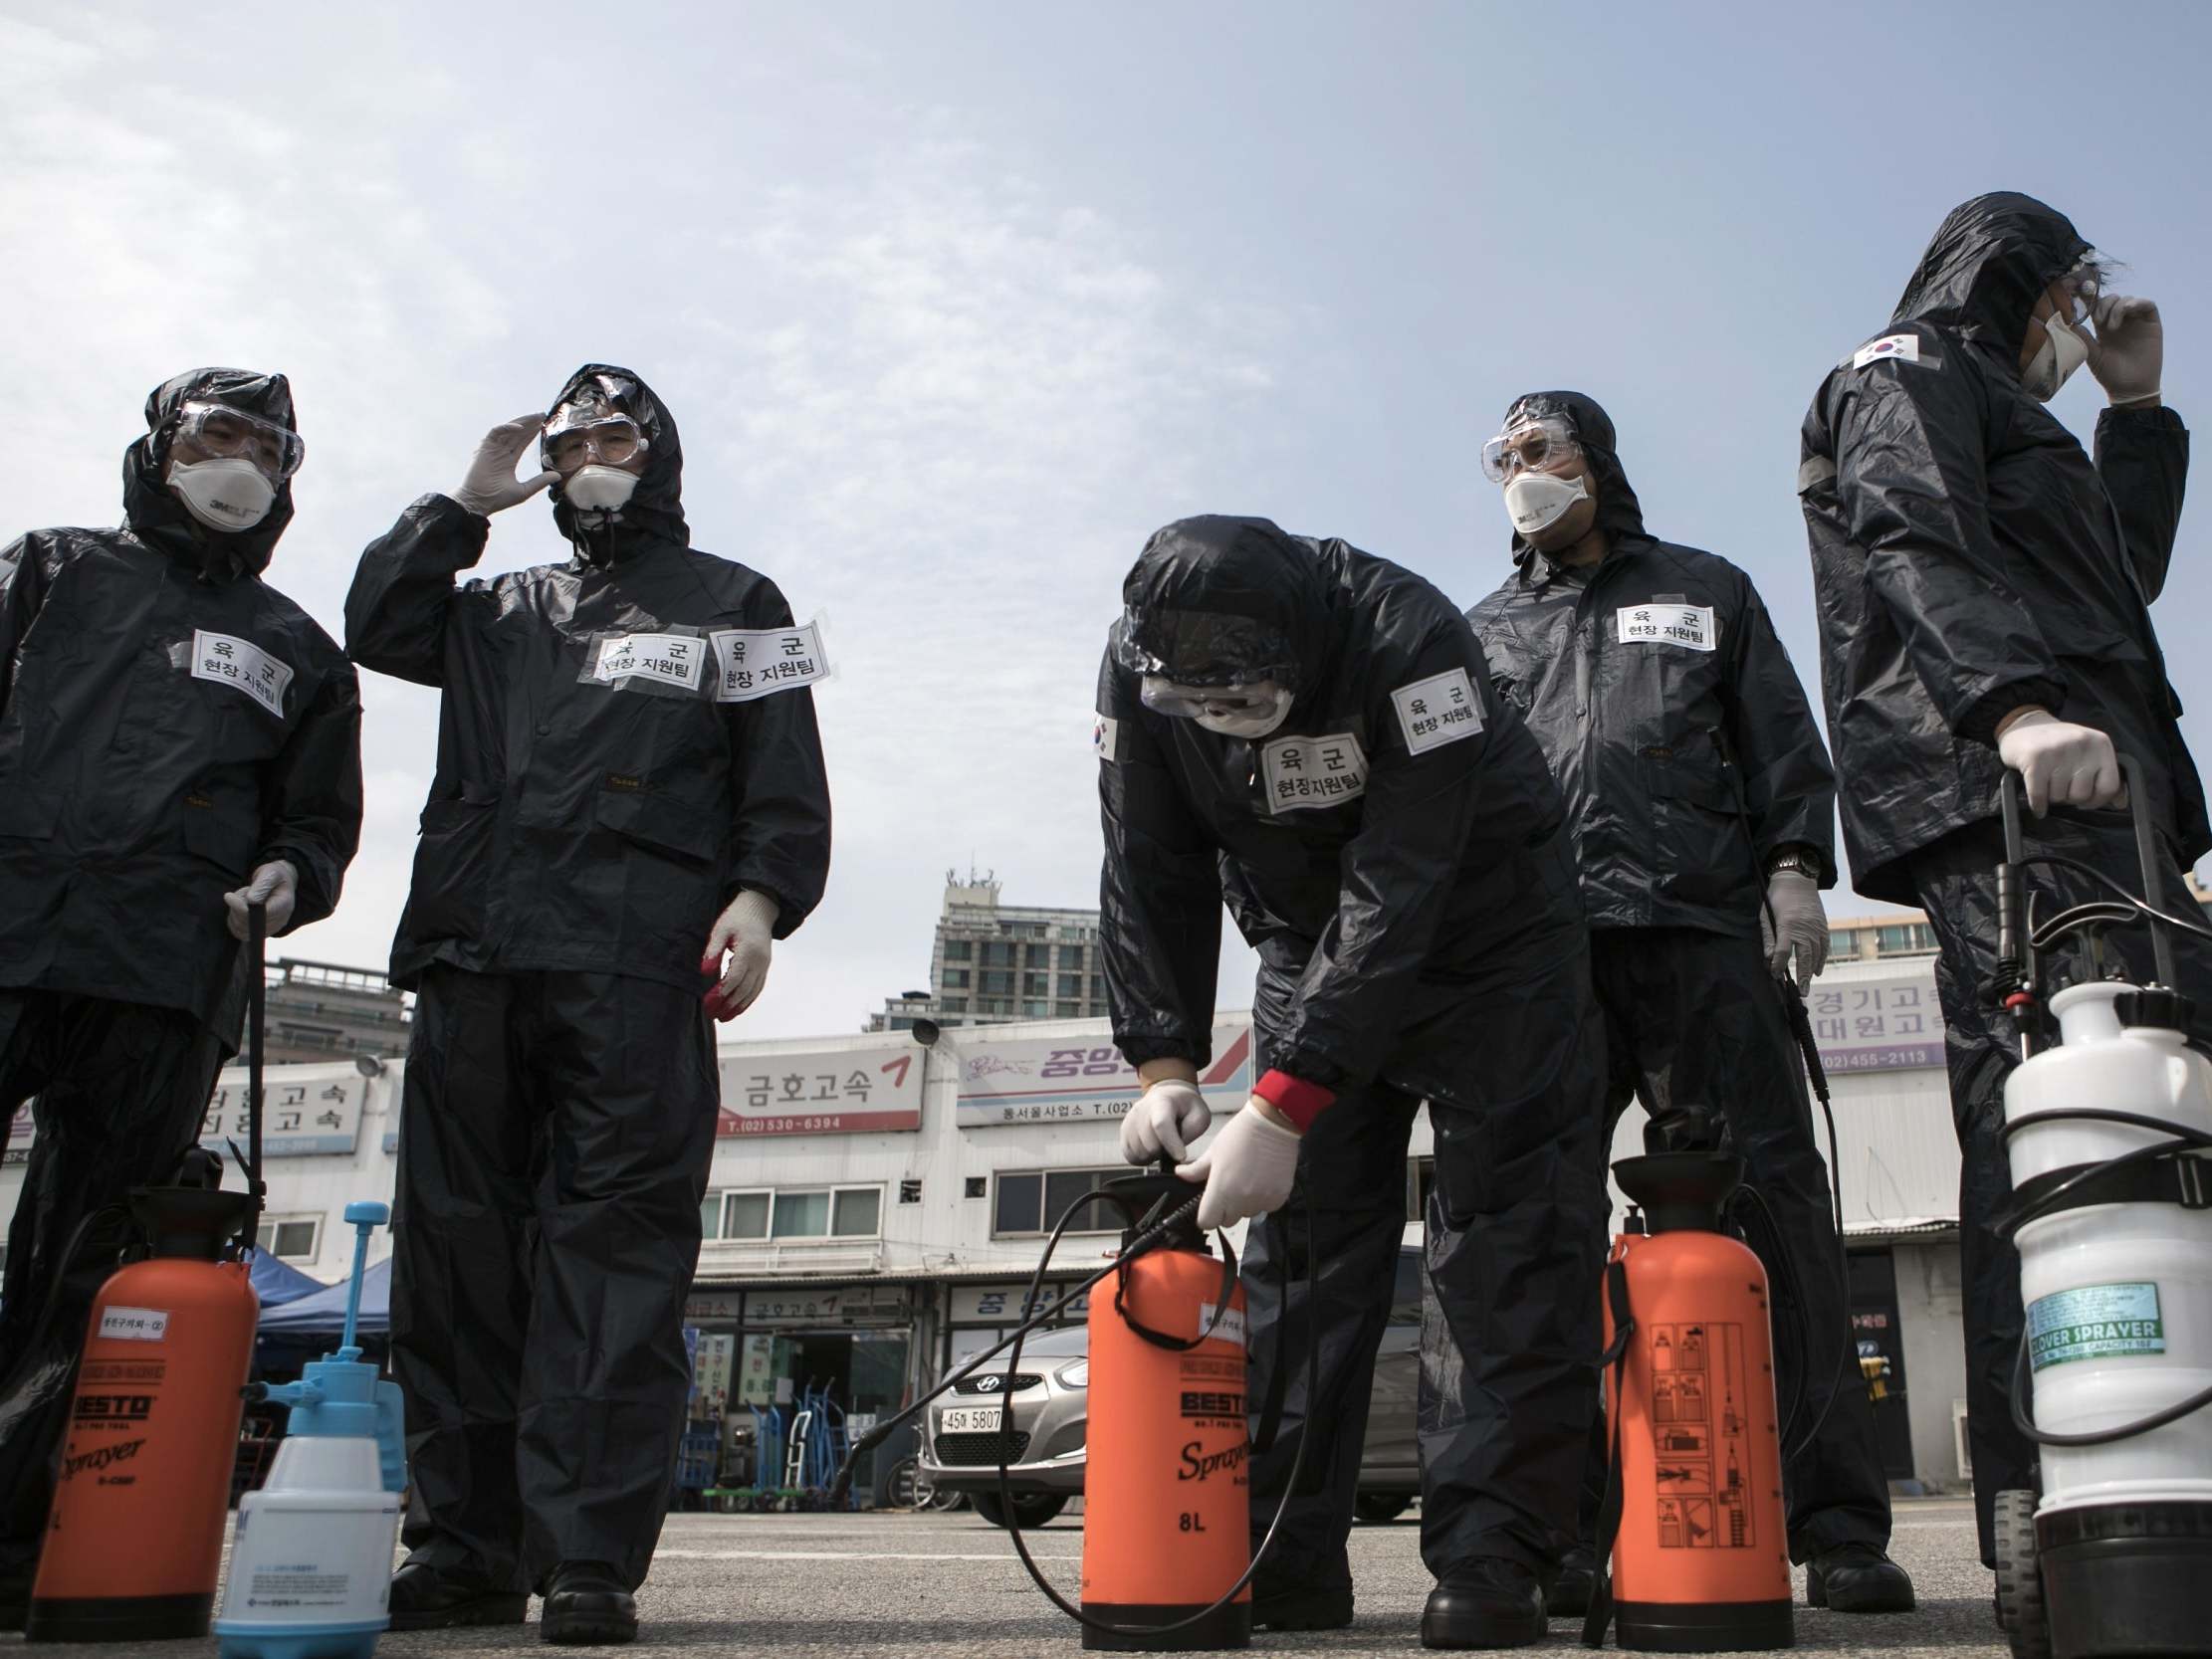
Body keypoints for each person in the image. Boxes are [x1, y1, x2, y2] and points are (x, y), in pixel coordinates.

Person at [346, 365, 832, 1645]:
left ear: (659, 447)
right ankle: (463, 1545)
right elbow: (375, 626)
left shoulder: (739, 599)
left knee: (611, 1259)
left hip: (635, 957)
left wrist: (762, 897)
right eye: (569, 443)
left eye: (612, 434)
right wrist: (467, 501)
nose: (589, 456)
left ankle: (586, 1560)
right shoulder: (493, 603)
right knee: (453, 1256)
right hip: (474, 951)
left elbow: (782, 762)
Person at [1099, 515, 1608, 1650]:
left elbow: (1402, 883)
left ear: (1300, 648)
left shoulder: (1406, 636)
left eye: (1245, 700)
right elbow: (1147, 859)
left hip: (1489, 940)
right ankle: (1285, 1553)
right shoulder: (1138, 670)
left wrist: (1281, 1101)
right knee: (1305, 1258)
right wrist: (1164, 1059)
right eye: (1201, 707)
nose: (1221, 724)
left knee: (1503, 1243)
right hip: (1301, 935)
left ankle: (1494, 1553)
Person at [1799, 191, 2211, 1570]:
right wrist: (2011, 711)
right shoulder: (1901, 369)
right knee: (2053, 1108)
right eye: (2067, 297)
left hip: (2096, 790)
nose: (2072, 322)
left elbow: (2113, 583)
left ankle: (2142, 1459)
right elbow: (1914, 539)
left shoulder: (2004, 402)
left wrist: (2136, 412)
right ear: (2017, 277)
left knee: (2139, 1105)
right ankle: (2053, 1495)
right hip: (2007, 790)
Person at [1464, 391, 1913, 1614]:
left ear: (1593, 461)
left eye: (1535, 449)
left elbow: (1777, 735)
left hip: (1701, 927)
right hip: (1547, 957)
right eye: (1499, 458)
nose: (1517, 471)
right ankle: (1555, 1531)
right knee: (1535, 1231)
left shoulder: (1705, 587)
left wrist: (1790, 872)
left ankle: (1833, 1521)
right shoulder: (1483, 631)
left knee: (1771, 1207)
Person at [0, 368, 361, 1623]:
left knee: (87, 1264)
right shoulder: (47, 569)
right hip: (10, 924)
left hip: (165, 968)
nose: (243, 461)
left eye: (271, 445)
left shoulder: (301, 649)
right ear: (160, 448)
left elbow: (319, 825)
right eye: (220, 433)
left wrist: (290, 877)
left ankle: (19, 1547)